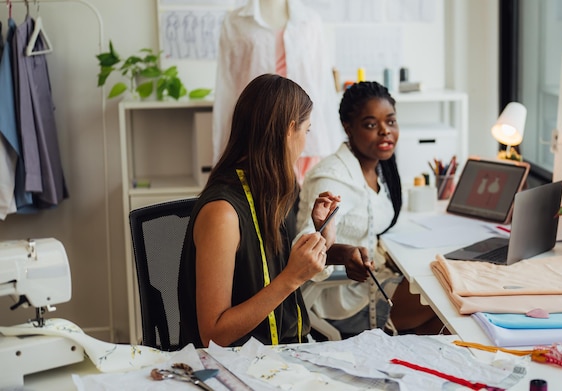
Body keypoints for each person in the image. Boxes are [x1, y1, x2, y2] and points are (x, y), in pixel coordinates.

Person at [178, 74, 340, 348]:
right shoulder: (223, 214)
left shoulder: (281, 191)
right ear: (290, 130)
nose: (305, 143)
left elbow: (281, 268)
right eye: (307, 130)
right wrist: (290, 278)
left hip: (288, 353)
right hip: (235, 366)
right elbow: (213, 334)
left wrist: (321, 234)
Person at [296, 81, 443, 338]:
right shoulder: (332, 179)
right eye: (371, 125)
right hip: (343, 299)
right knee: (444, 293)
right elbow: (304, 245)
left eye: (391, 122)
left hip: (377, 279)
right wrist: (344, 253)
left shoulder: (378, 168)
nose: (385, 132)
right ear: (348, 128)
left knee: (439, 328)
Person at [211, 0, 342, 181]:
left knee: (305, 199)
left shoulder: (310, 21)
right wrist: (222, 149)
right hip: (257, 127)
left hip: (302, 127)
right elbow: (227, 87)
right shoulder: (235, 22)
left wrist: (332, 147)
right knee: (260, 195)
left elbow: (322, 85)